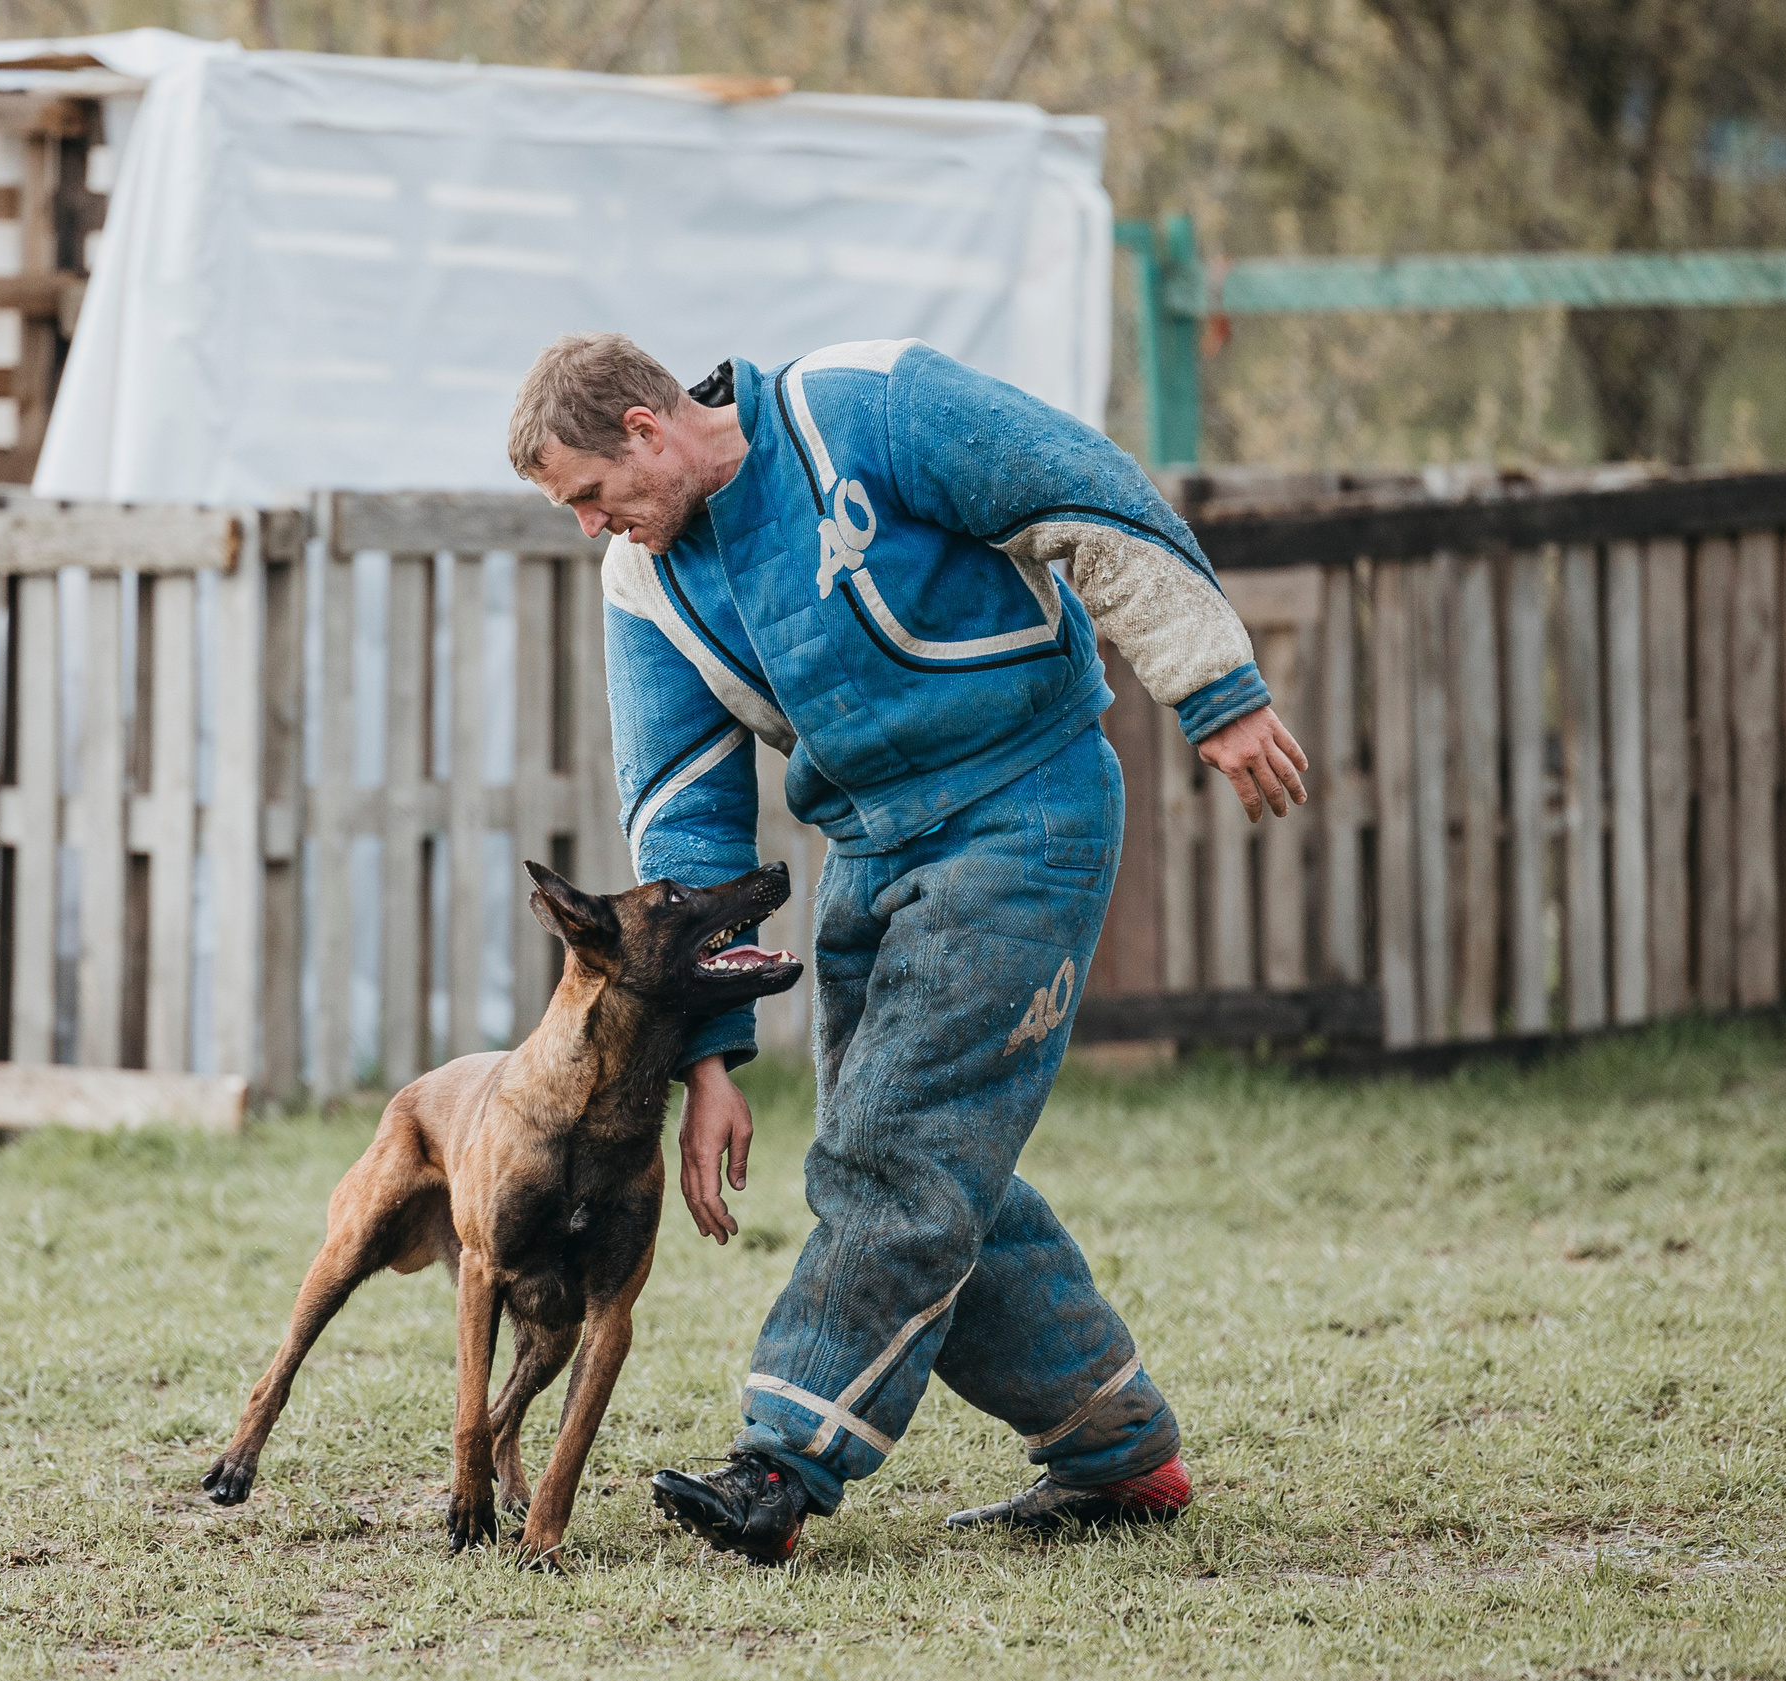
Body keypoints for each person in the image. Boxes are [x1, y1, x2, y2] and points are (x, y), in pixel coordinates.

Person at [506, 334, 1308, 1564]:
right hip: (874, 853)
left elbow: (1082, 493)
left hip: (1025, 806)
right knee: (931, 1160)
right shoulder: (642, 581)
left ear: (644, 427)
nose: (589, 526)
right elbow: (684, 814)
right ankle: (1117, 1453)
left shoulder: (867, 403)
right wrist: (711, 1050)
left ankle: (783, 1462)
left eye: (589, 494)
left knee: (895, 1146)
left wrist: (1216, 687)